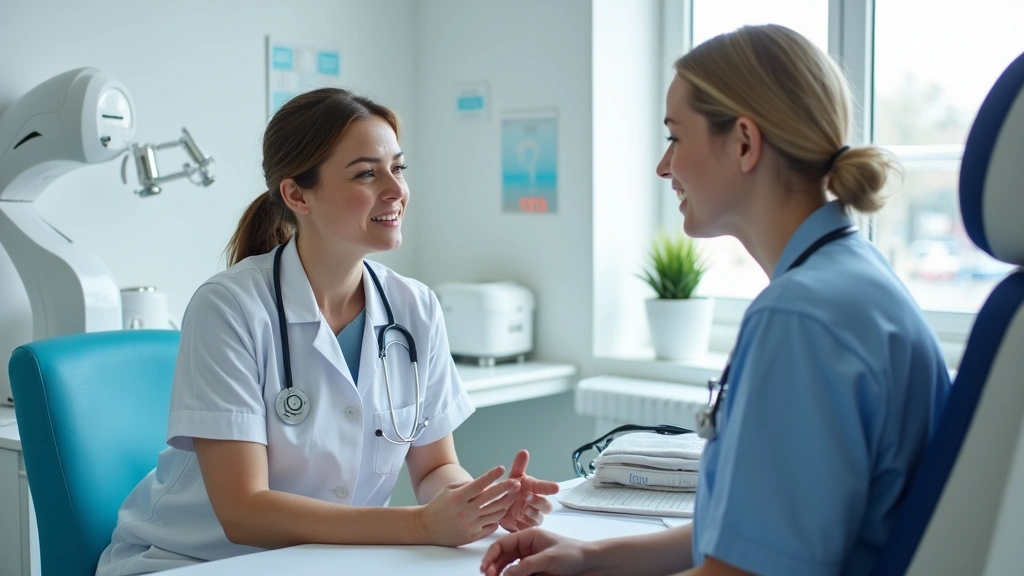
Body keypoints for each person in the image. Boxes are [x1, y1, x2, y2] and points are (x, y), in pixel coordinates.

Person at [481, 24, 950, 576]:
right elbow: (746, 539)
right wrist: (591, 558)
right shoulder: (849, 280)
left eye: (675, 137)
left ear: (745, 143)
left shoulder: (801, 317)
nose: (663, 166)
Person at [96, 87, 558, 576]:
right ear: (297, 194)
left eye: (398, 168)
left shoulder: (414, 307)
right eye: (366, 172)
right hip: (193, 562)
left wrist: (478, 505)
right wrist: (422, 526)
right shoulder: (229, 307)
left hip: (324, 563)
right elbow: (243, 512)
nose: (396, 189)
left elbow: (433, 467)